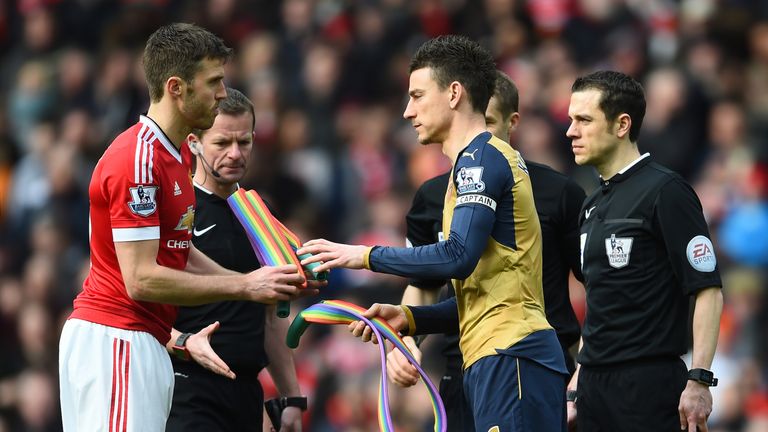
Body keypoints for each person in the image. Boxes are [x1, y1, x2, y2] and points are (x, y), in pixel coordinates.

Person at [298, 35, 568, 432]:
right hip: (496, 354)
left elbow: (458, 256)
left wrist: (363, 256)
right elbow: (484, 296)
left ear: (454, 93)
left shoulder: (480, 159)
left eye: (418, 95)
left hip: (513, 355)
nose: (408, 111)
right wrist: (408, 317)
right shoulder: (471, 167)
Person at [58, 23, 318, 432]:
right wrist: (245, 286)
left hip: (144, 341)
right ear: (177, 88)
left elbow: (178, 251)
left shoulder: (172, 155)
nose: (221, 92)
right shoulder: (140, 159)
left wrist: (260, 283)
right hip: (119, 337)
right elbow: (140, 279)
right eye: (213, 81)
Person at [386, 70, 585, 431]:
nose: (479, 134)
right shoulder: (433, 195)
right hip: (463, 363)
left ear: (513, 122)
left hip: (526, 358)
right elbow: (424, 282)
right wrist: (404, 341)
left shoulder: (559, 193)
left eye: (489, 122)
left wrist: (585, 365)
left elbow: (595, 283)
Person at [563, 70, 723, 432]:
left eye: (584, 120)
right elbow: (601, 301)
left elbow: (707, 288)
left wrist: (699, 379)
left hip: (648, 386)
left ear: (622, 125)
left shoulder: (666, 191)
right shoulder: (590, 205)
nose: (570, 131)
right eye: (572, 119)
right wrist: (578, 380)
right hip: (594, 389)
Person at [165, 88, 305, 431]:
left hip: (245, 392)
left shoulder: (258, 212)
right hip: (188, 387)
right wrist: (180, 342)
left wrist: (290, 399)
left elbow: (272, 318)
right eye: (222, 143)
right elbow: (141, 306)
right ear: (195, 142)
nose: (235, 153)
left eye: (244, 142)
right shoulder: (178, 210)